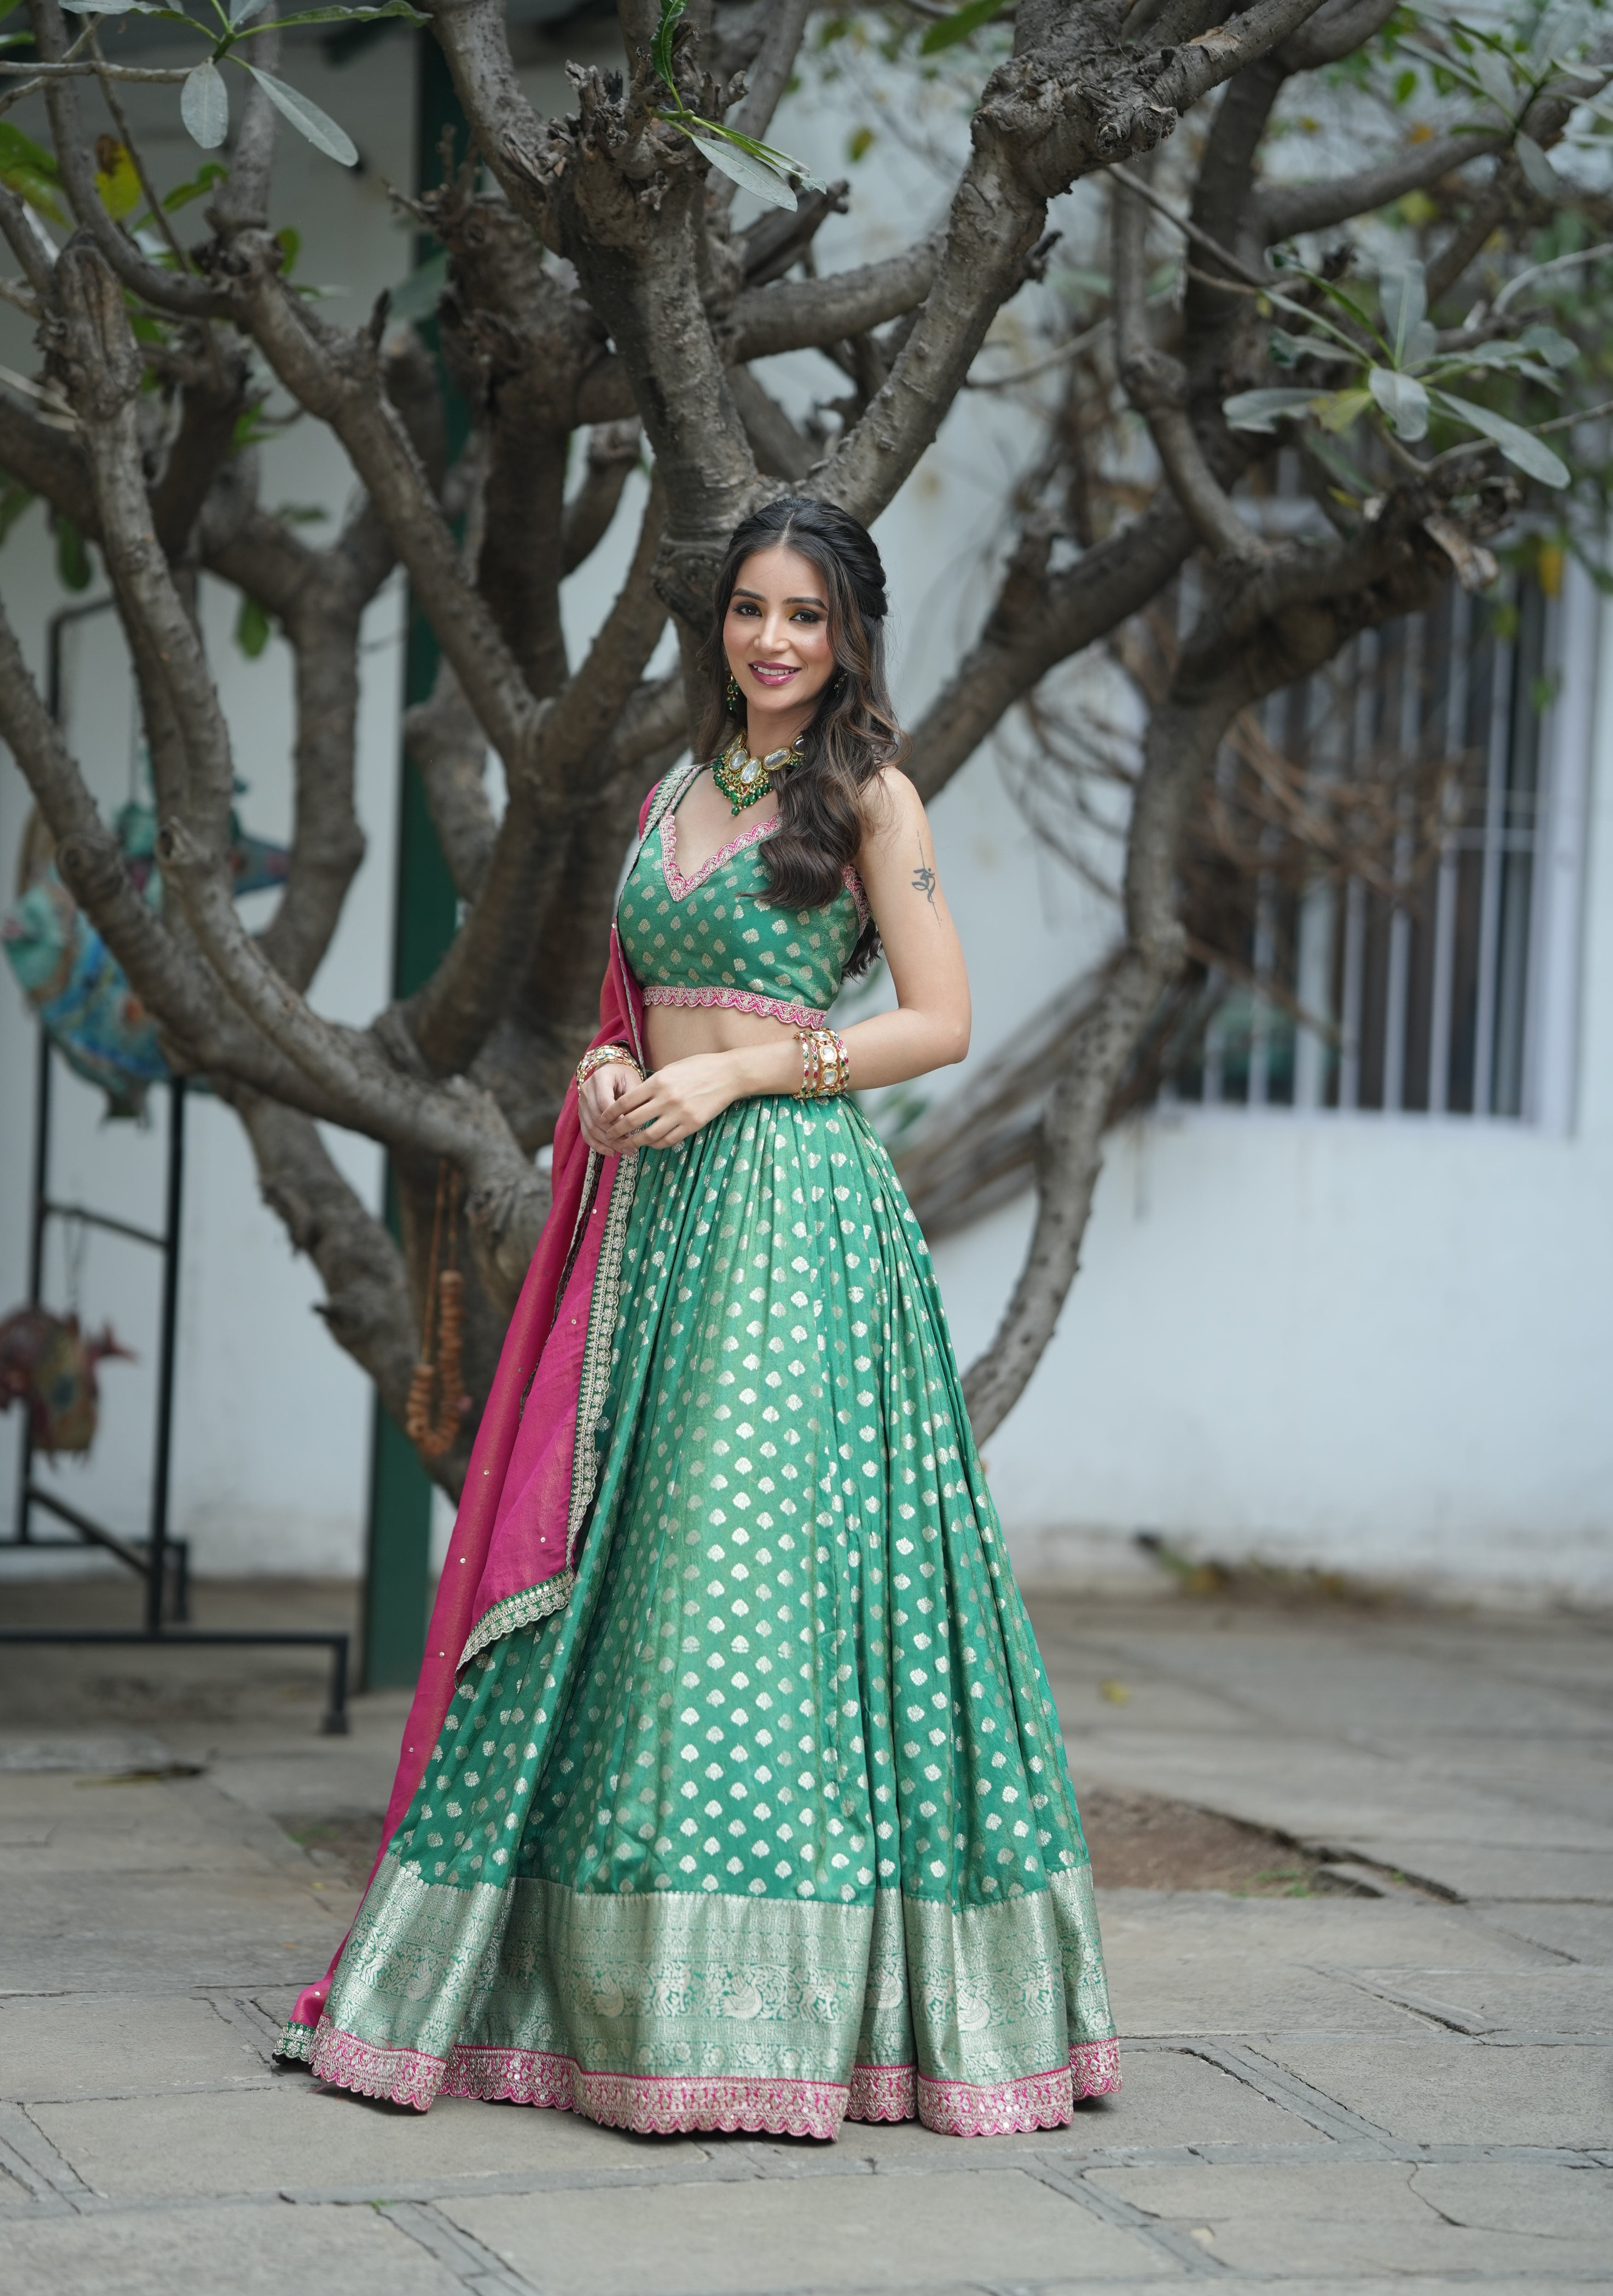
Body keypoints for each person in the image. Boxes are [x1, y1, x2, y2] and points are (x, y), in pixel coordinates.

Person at [275, 497, 1118, 2139]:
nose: (776, 641)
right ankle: (581, 1988)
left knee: (747, 1575)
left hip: (791, 1220)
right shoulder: (675, 786)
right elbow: (632, 1004)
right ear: (720, 624)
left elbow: (941, 1022)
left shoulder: (872, 794)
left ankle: (766, 2017)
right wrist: (609, 1074)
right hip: (652, 1222)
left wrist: (741, 1069)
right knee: (629, 1567)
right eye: (752, 609)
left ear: (851, 632)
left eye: (808, 614)